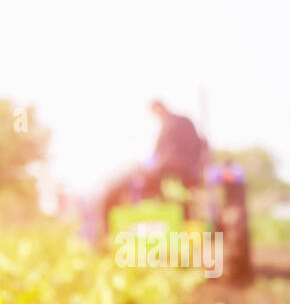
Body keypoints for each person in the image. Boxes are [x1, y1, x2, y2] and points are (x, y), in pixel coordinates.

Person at [84, 101, 210, 245]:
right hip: (181, 171)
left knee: (124, 182)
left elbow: (164, 154)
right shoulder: (182, 121)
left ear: (159, 108)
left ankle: (104, 235)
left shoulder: (171, 126)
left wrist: (155, 166)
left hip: (171, 171)